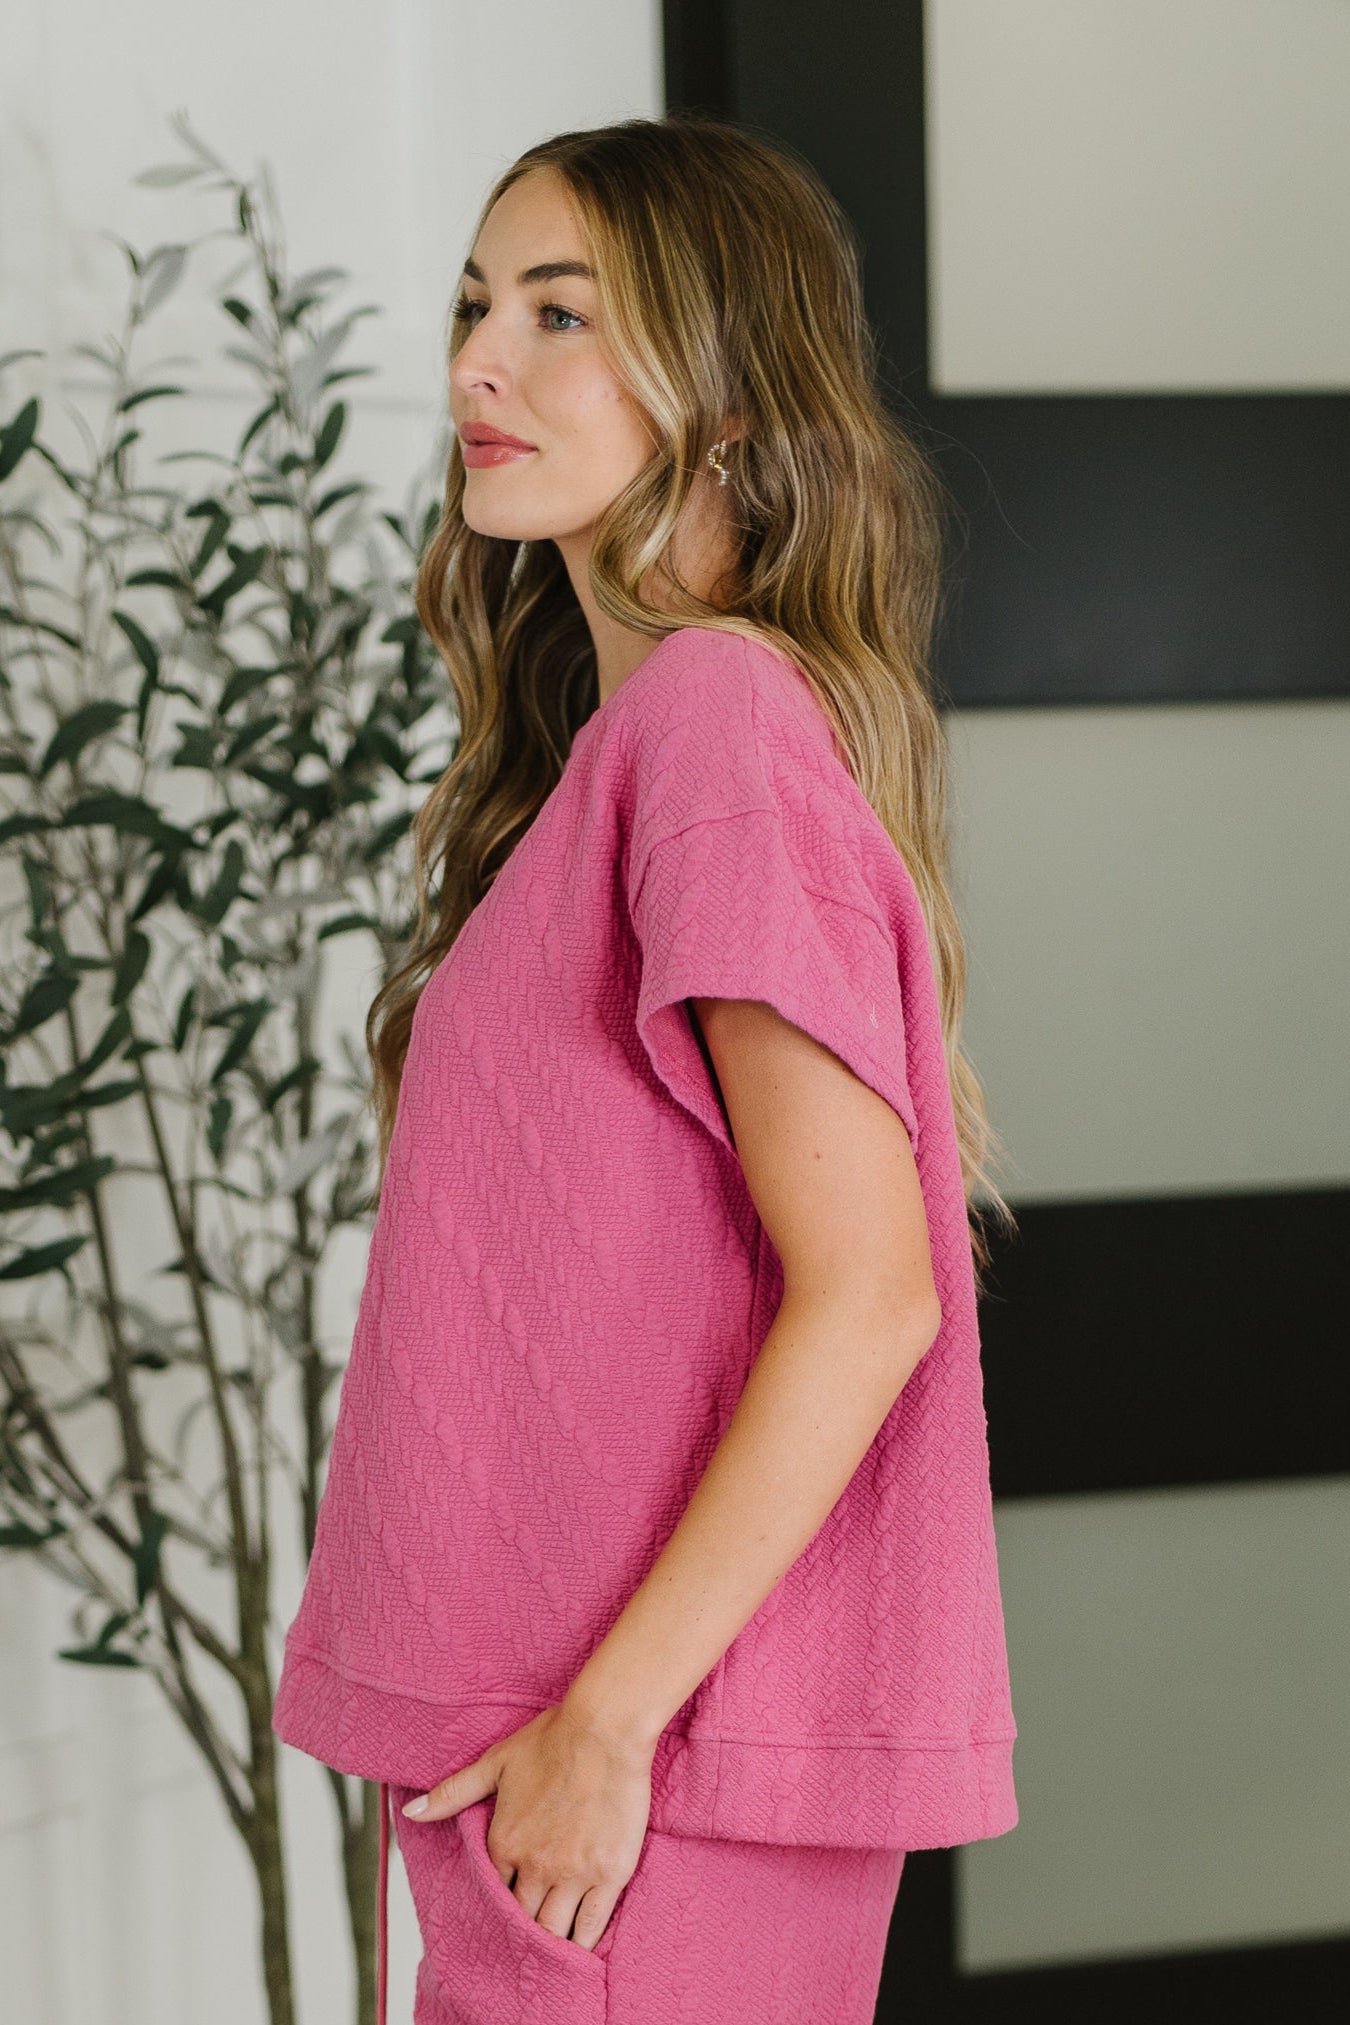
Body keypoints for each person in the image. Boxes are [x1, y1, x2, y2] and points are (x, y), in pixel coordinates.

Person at [271, 113, 1020, 2025]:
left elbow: (872, 1291)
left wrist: (605, 1725)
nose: (476, 365)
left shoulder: (712, 721)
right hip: (555, 1751)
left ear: (728, 394)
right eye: (472, 306)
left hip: (621, 1772)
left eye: (558, 314)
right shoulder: (626, 749)